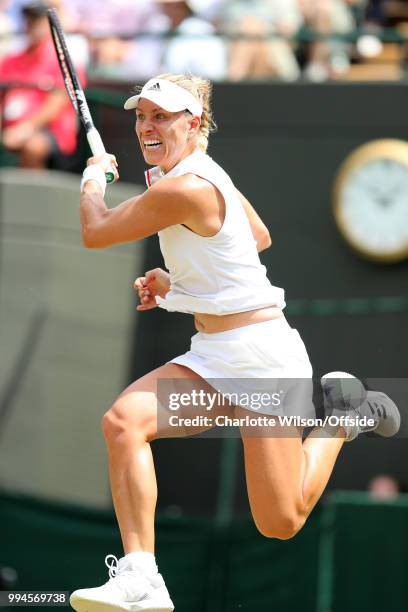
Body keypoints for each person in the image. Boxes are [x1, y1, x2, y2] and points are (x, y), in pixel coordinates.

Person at [69, 73, 401, 612]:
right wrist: (175, 287)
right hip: (214, 360)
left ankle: (345, 418)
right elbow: (257, 237)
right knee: (124, 423)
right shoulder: (190, 175)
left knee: (281, 522)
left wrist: (91, 178)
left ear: (192, 122)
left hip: (263, 362)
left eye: (162, 116)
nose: (147, 126)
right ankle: (142, 576)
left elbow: (95, 230)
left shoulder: (184, 186)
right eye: (141, 115)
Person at [0, 1, 84, 169]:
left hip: (51, 133)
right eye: (29, 20)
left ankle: (29, 196)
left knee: (34, 146)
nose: (32, 26)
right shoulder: (11, 60)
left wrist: (25, 129)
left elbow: (57, 103)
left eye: (38, 20)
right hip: (11, 129)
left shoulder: (62, 60)